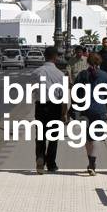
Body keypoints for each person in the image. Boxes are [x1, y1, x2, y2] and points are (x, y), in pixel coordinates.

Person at [73, 52, 107, 175]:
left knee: (87, 136)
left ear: (88, 62)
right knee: (96, 137)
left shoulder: (82, 75)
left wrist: (75, 108)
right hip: (100, 109)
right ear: (100, 62)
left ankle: (90, 160)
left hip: (85, 109)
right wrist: (106, 108)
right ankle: (93, 164)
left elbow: (76, 93)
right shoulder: (105, 76)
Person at [33, 46, 66, 174]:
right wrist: (64, 113)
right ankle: (51, 164)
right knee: (53, 137)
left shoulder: (36, 72)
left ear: (44, 56)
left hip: (40, 106)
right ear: (55, 57)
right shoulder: (60, 74)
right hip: (55, 107)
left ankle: (40, 158)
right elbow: (63, 96)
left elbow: (32, 90)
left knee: (40, 135)